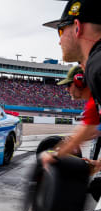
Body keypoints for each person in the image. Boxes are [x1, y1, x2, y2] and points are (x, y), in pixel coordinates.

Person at [42, 0, 101, 170]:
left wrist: (55, 154)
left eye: (60, 31)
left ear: (77, 27)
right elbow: (88, 127)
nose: (59, 41)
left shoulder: (96, 66)